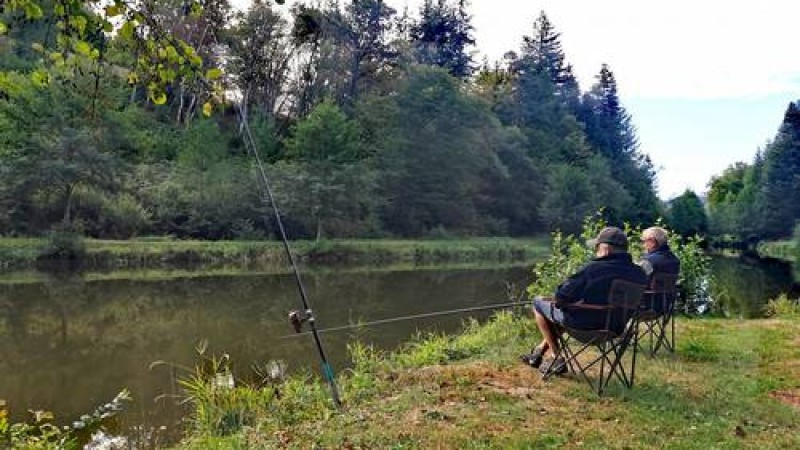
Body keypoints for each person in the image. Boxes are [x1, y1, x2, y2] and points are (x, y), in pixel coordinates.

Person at [521, 226, 648, 374]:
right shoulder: (639, 273)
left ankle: (556, 358)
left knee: (538, 302)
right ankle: (538, 351)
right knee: (568, 309)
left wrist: (566, 297)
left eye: (597, 247)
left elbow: (561, 297)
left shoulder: (594, 269)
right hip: (615, 329)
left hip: (584, 328)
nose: (596, 251)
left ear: (606, 249)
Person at [638, 226, 681, 313]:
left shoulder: (648, 262)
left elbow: (636, 281)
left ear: (653, 242)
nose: (643, 245)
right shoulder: (675, 260)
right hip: (665, 307)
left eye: (644, 241)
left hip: (645, 307)